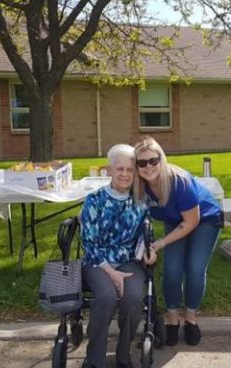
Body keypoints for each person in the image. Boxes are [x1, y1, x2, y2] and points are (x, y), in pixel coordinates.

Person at [133, 136, 223, 347]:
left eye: (153, 160)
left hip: (204, 220)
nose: (149, 166)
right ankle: (173, 319)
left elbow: (192, 221)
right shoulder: (139, 186)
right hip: (175, 220)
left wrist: (161, 243)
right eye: (142, 162)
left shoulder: (178, 181)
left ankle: (190, 319)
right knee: (172, 270)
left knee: (195, 268)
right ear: (136, 166)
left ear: (161, 159)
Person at [80, 144, 156, 368]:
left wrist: (148, 251)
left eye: (129, 170)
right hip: (97, 261)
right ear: (109, 170)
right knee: (106, 297)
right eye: (119, 169)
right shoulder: (94, 201)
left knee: (133, 300)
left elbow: (144, 235)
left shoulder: (140, 201)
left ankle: (123, 355)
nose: (125, 174)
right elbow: (89, 243)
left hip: (129, 262)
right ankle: (95, 359)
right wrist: (112, 273)